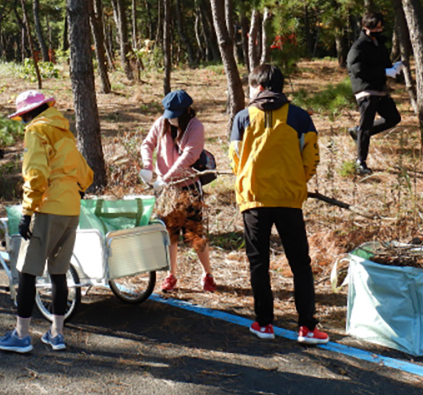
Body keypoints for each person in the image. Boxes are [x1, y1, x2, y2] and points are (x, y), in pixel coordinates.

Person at [229, 64, 328, 345]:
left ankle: (264, 323)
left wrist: (246, 179)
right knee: (300, 263)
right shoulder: (299, 117)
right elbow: (312, 158)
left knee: (258, 262)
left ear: (258, 87)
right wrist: (299, 179)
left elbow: (234, 158)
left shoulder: (242, 117)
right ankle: (307, 327)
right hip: (289, 199)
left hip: (254, 200)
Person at [0, 90, 93, 353]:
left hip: (47, 207)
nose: (24, 122)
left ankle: (21, 335)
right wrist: (76, 190)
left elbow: (35, 175)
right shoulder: (62, 131)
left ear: (28, 113)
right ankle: (56, 335)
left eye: (23, 116)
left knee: (26, 271)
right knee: (58, 272)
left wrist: (27, 213)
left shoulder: (37, 131)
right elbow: (86, 173)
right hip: (71, 208)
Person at [140, 89, 215, 293]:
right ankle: (171, 275)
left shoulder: (195, 127)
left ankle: (207, 274)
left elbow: (189, 157)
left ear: (187, 111)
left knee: (194, 234)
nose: (171, 120)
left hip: (188, 186)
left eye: (176, 116)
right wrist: (147, 166)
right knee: (169, 234)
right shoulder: (161, 122)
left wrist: (166, 178)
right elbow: (148, 144)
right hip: (166, 191)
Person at [346, 11, 403, 176]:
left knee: (393, 118)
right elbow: (356, 69)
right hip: (366, 91)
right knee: (366, 125)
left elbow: (385, 65)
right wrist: (384, 71)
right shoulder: (359, 46)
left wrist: (394, 68)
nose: (378, 30)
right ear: (365, 27)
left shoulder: (379, 44)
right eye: (374, 28)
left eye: (380, 27)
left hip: (380, 90)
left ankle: (358, 133)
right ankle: (360, 162)